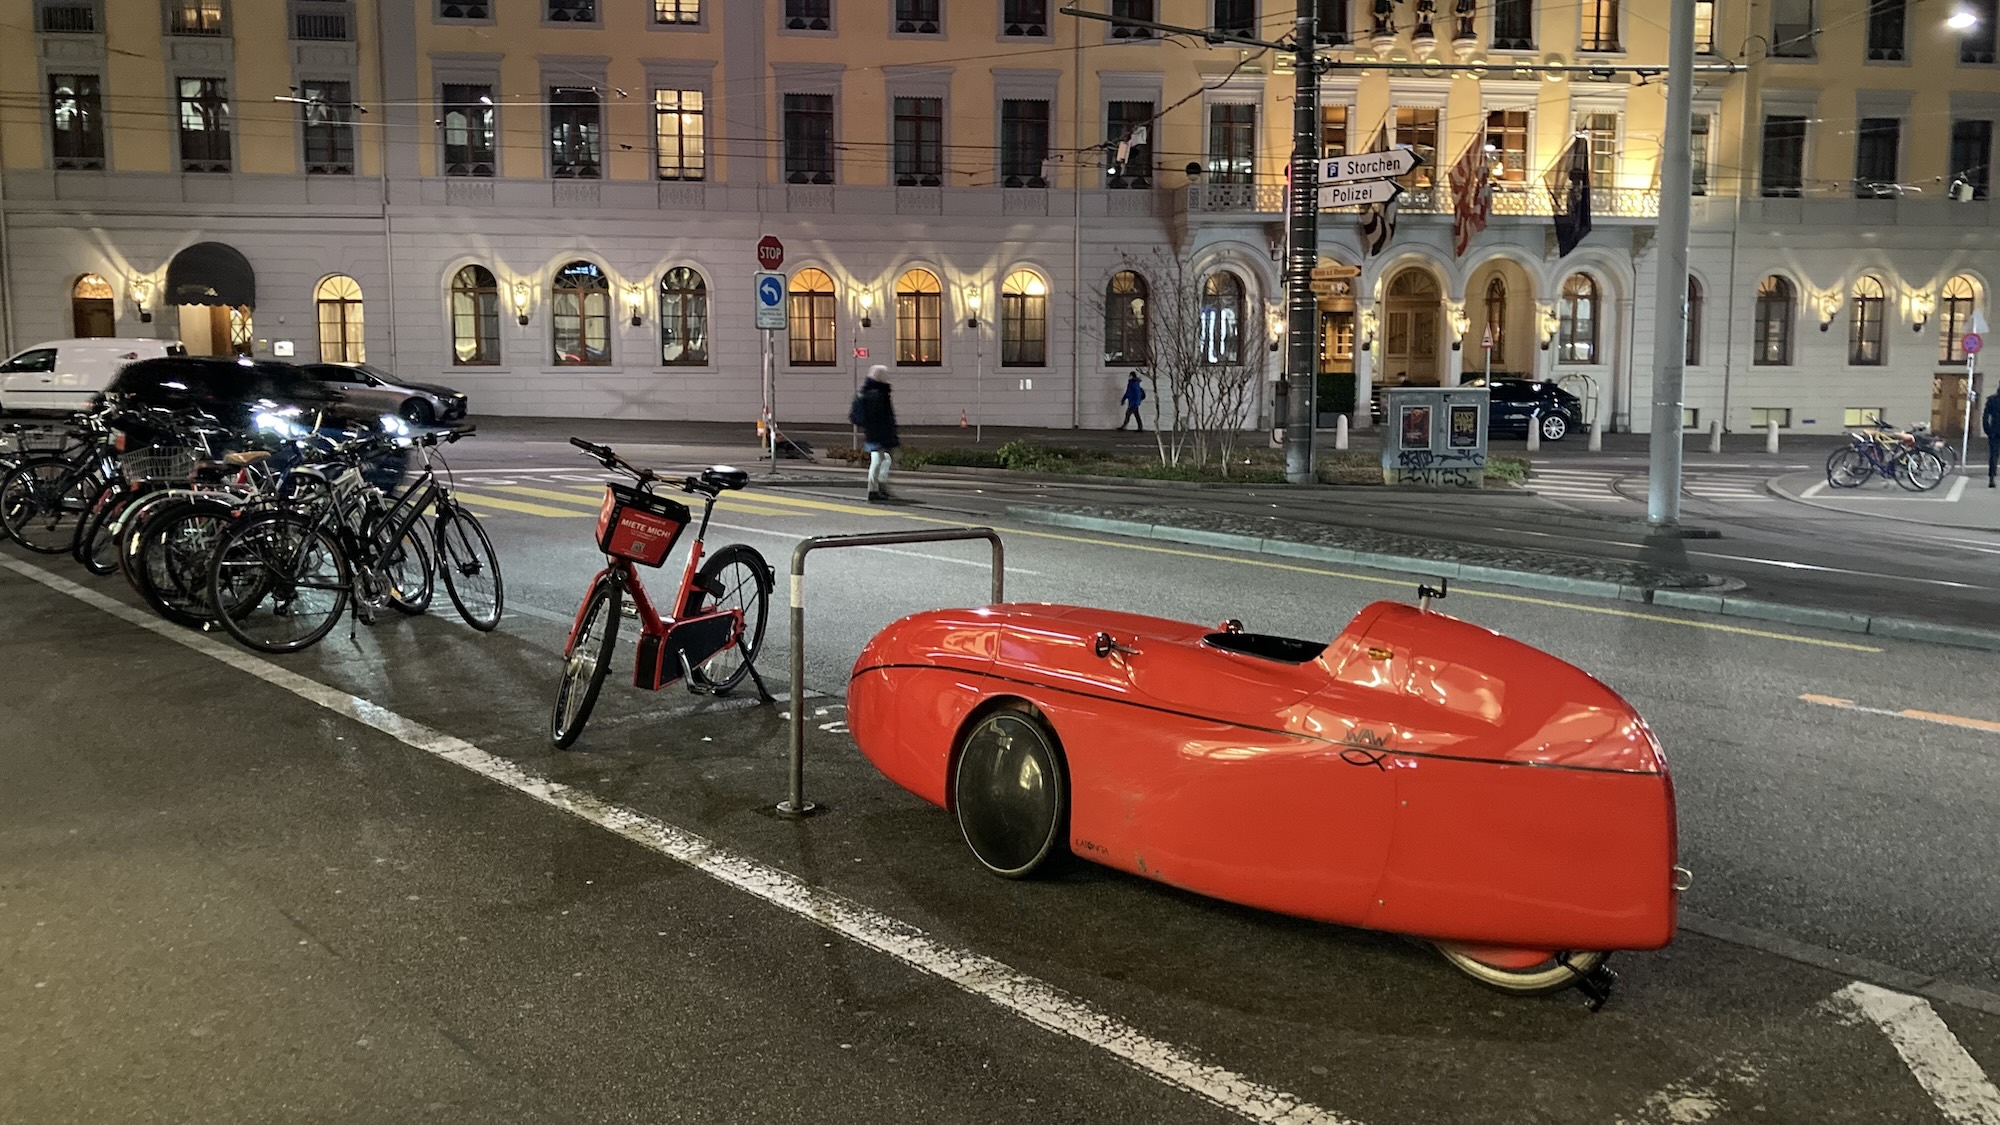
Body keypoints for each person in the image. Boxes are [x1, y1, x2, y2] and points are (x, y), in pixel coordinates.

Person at [851, 365, 900, 502]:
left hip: (875, 433)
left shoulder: (873, 391)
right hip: (879, 434)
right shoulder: (877, 394)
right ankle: (874, 490)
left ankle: (878, 488)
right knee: (879, 461)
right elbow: (883, 417)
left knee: (883, 460)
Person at [1984, 386, 2000, 488]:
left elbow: (1985, 417)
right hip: (1995, 431)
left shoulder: (1992, 400)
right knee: (1994, 455)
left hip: (1995, 430)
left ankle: (1992, 477)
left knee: (1993, 455)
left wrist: (1988, 430)